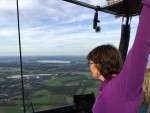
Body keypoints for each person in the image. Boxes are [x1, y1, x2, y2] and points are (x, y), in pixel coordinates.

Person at [87, 0, 150, 113]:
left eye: (90, 63)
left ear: (100, 63)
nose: (89, 66)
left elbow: (142, 45)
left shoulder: (124, 86)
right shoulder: (106, 85)